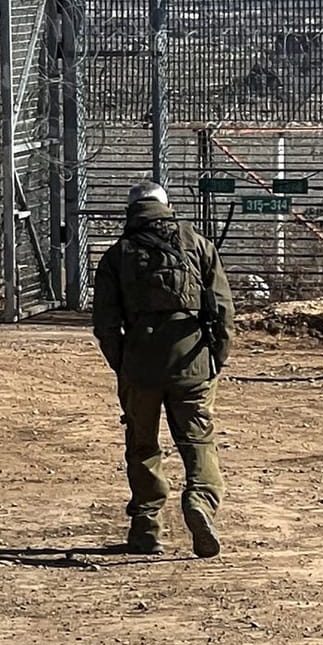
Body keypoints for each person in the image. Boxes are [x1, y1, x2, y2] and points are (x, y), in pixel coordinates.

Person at [92, 180, 236, 558]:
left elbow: (105, 324)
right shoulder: (199, 244)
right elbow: (222, 310)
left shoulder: (116, 255)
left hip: (140, 364)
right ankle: (200, 504)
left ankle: (146, 529)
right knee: (198, 440)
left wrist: (123, 363)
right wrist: (214, 358)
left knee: (142, 446)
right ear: (166, 206)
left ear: (131, 211)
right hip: (192, 361)